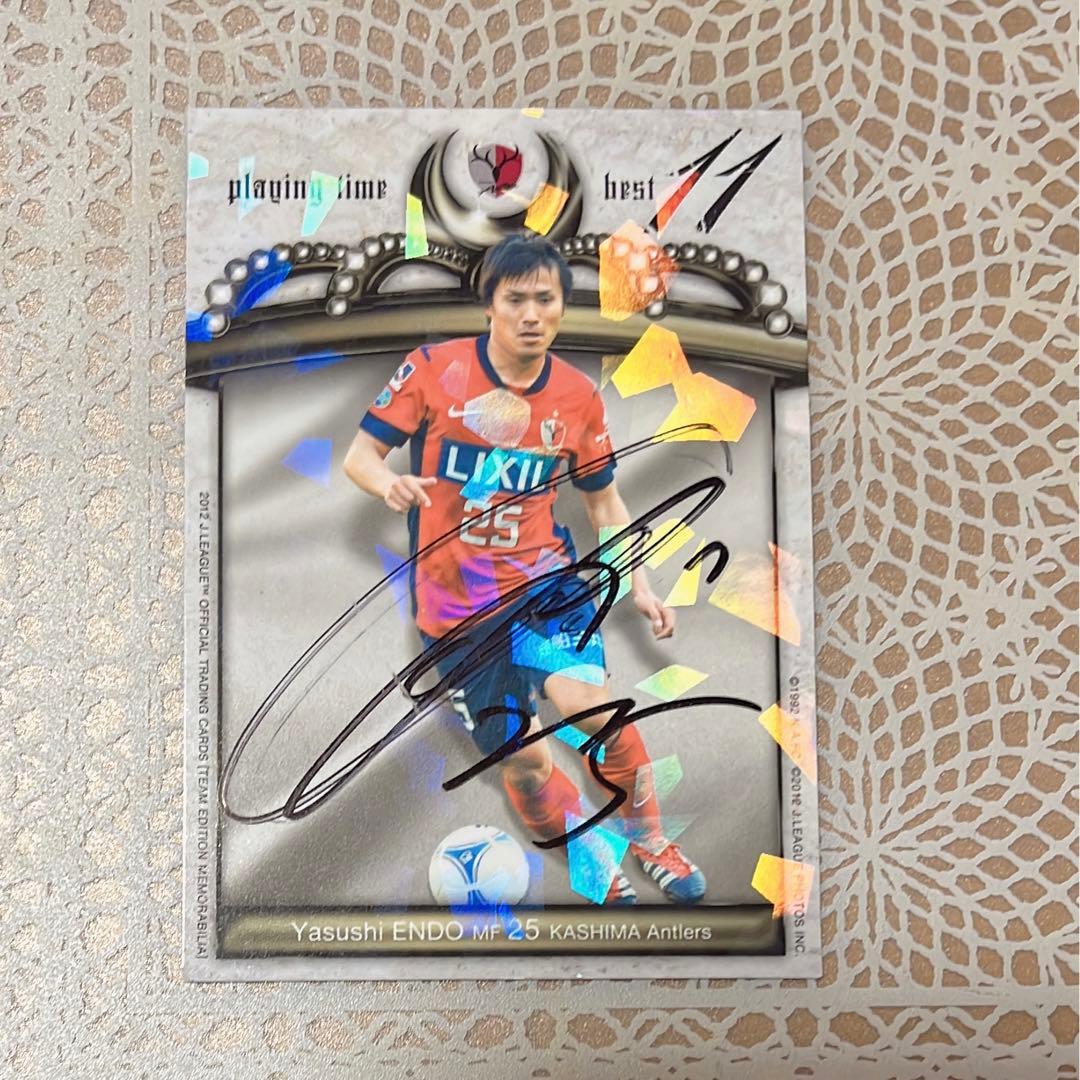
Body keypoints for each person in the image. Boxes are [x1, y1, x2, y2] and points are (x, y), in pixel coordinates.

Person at [344, 234, 705, 906]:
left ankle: (652, 841)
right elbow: (359, 456)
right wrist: (387, 484)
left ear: (563, 307)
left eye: (546, 299)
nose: (532, 314)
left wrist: (640, 583)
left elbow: (604, 502)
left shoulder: (576, 396)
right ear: (489, 305)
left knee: (597, 715)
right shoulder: (433, 370)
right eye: (516, 300)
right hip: (457, 615)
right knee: (528, 761)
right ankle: (588, 849)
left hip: (545, 591)